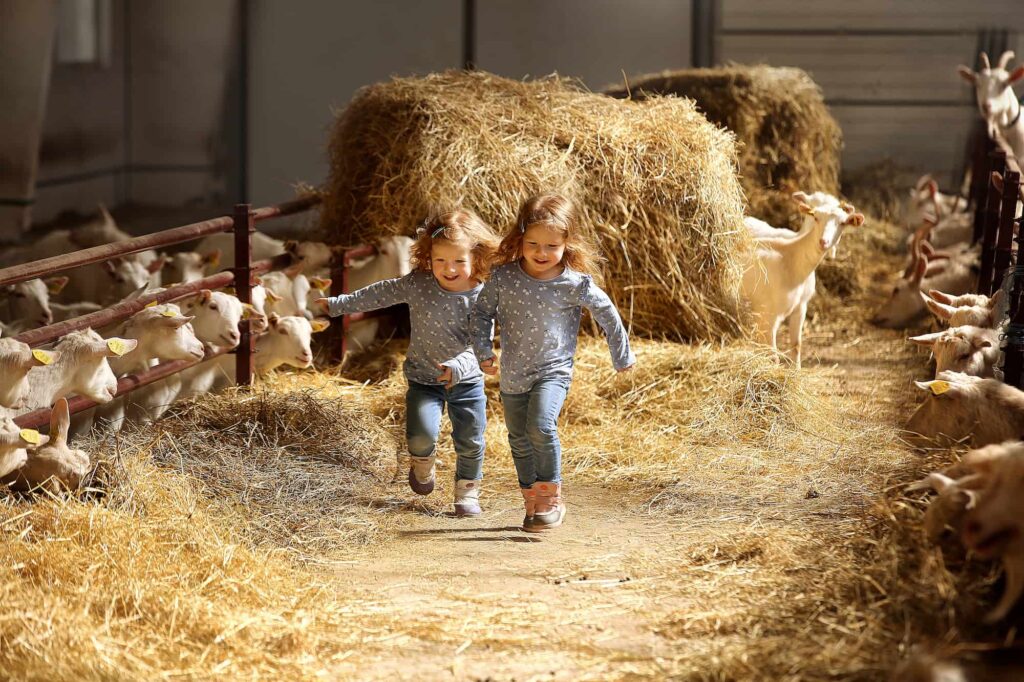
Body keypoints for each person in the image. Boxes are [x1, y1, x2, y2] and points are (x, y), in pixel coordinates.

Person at [316, 209, 500, 516]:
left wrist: (458, 366)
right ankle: (422, 464)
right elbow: (381, 293)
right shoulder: (419, 284)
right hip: (424, 378)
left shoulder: (483, 298)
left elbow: (480, 345)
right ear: (428, 257)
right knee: (420, 435)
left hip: (466, 382)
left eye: (458, 261)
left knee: (470, 438)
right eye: (440, 260)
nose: (449, 268)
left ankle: (467, 493)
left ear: (477, 257)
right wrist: (339, 304)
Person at [471, 194, 634, 532]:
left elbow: (607, 314)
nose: (541, 253)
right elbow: (482, 312)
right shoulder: (504, 278)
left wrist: (621, 355)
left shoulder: (574, 283)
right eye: (532, 243)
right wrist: (483, 350)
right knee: (517, 437)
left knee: (541, 426)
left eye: (551, 246)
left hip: (553, 371)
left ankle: (551, 498)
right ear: (520, 237)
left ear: (566, 242)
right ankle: (532, 502)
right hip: (514, 375)